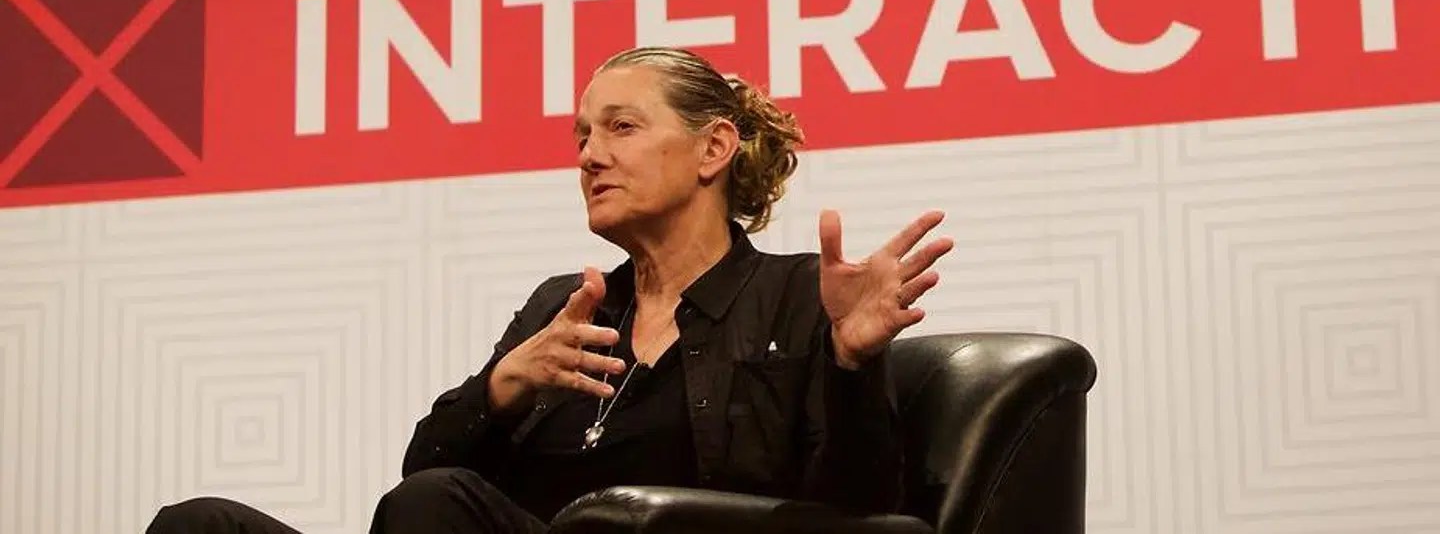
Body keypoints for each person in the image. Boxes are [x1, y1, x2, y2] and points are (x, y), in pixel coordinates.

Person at [146, 46, 951, 534]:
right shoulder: (568, 307)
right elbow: (416, 481)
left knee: (440, 502)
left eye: (621, 128)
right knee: (201, 525)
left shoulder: (797, 296)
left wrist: (852, 366)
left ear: (713, 149)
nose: (589, 155)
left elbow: (858, 509)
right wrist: (501, 389)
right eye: (582, 136)